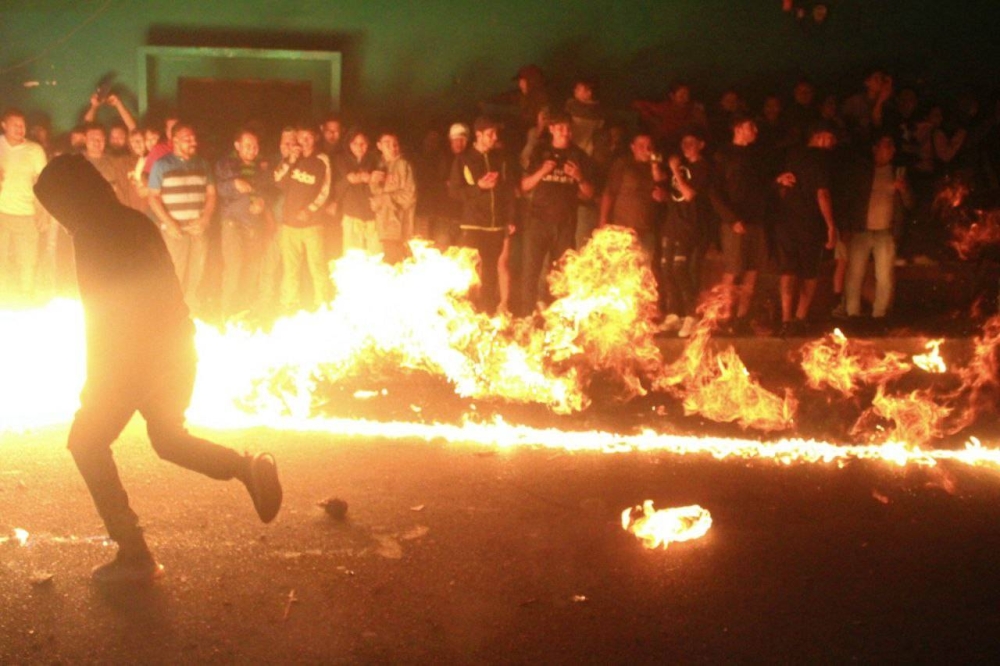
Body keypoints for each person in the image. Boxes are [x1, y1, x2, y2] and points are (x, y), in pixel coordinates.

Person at [34, 154, 282, 584]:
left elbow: (106, 315)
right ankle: (245, 467)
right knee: (168, 438)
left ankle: (134, 553)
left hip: (135, 357)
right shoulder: (136, 221)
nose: (56, 215)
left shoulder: (93, 235)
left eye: (56, 203)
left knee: (86, 443)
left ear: (72, 198)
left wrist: (97, 386)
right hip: (177, 345)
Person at [519, 112, 594, 315]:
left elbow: (589, 194)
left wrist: (579, 177)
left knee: (561, 275)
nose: (565, 133)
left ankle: (556, 320)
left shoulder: (579, 155)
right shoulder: (540, 151)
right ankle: (526, 317)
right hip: (538, 222)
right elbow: (524, 186)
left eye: (568, 129)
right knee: (530, 272)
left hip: (565, 224)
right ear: (551, 129)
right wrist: (542, 172)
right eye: (560, 128)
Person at [774, 123, 839, 336]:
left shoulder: (791, 153)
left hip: (785, 220)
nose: (833, 144)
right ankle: (800, 318)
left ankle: (786, 319)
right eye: (831, 139)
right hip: (810, 222)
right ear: (820, 136)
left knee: (788, 270)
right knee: (810, 272)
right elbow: (822, 194)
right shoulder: (822, 159)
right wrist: (830, 225)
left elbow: (780, 182)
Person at [709, 114, 771, 333]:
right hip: (735, 222)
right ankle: (726, 315)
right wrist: (731, 218)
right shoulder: (723, 154)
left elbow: (763, 183)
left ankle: (742, 318)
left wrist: (778, 180)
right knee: (734, 269)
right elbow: (714, 191)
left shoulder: (757, 154)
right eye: (750, 125)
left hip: (757, 221)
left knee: (753, 271)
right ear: (738, 128)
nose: (755, 130)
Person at [843, 133, 913, 321]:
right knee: (855, 274)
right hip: (862, 231)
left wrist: (903, 189)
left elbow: (909, 204)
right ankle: (852, 314)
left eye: (892, 146)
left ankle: (880, 315)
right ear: (875, 148)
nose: (892, 149)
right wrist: (847, 228)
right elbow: (850, 200)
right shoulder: (863, 171)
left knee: (884, 277)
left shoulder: (897, 172)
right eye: (887, 145)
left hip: (885, 233)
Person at [147, 122, 216, 313]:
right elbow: (153, 197)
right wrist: (169, 224)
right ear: (175, 140)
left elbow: (211, 194)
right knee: (176, 272)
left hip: (198, 229)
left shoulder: (202, 164)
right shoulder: (161, 165)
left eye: (194, 138)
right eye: (187, 138)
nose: (193, 141)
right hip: (174, 231)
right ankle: (173, 313)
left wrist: (205, 219)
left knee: (198, 272)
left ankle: (192, 311)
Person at [449, 116, 515, 312]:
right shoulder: (463, 159)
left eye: (496, 133)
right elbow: (454, 192)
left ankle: (486, 315)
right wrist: (478, 187)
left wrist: (510, 218)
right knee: (469, 272)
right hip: (473, 225)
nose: (495, 137)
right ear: (478, 135)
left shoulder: (499, 159)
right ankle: (464, 312)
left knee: (490, 274)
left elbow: (508, 191)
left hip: (495, 226)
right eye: (490, 134)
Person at [215, 127, 275, 318]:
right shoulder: (226, 164)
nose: (252, 150)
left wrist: (262, 201)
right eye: (248, 145)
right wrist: (234, 184)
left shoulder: (261, 167)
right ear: (237, 146)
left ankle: (244, 312)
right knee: (234, 268)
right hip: (233, 224)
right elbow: (219, 189)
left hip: (254, 226)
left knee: (252, 268)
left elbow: (267, 190)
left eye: (255, 146)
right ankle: (226, 313)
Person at [273, 124, 332, 311]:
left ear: (315, 138)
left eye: (308, 137)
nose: (304, 142)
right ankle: (288, 305)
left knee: (318, 267)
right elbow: (277, 181)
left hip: (312, 225)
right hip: (289, 225)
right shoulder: (292, 159)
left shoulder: (322, 160)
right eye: (301, 138)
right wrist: (291, 160)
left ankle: (323, 304)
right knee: (290, 269)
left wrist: (310, 209)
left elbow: (326, 189)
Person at [663, 129, 714, 338]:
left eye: (691, 142)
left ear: (701, 144)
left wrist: (675, 171)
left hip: (690, 226)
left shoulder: (703, 167)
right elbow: (662, 181)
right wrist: (660, 165)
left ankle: (691, 316)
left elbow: (689, 194)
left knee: (680, 268)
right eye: (683, 142)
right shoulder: (681, 165)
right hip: (672, 223)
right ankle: (675, 314)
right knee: (666, 268)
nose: (686, 146)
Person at [0, 107, 48, 305]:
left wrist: (44, 213)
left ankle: (26, 296)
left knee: (28, 259)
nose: (20, 129)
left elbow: (45, 184)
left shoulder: (35, 150)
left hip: (26, 213)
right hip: (1, 213)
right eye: (15, 125)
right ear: (4, 125)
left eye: (23, 125)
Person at [369, 130, 417, 264]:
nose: (392, 148)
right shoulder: (379, 165)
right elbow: (376, 196)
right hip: (383, 227)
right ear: (379, 146)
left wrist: (384, 199)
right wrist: (373, 184)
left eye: (395, 144)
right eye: (387, 144)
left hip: (400, 228)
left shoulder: (404, 165)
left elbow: (410, 196)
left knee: (398, 266)